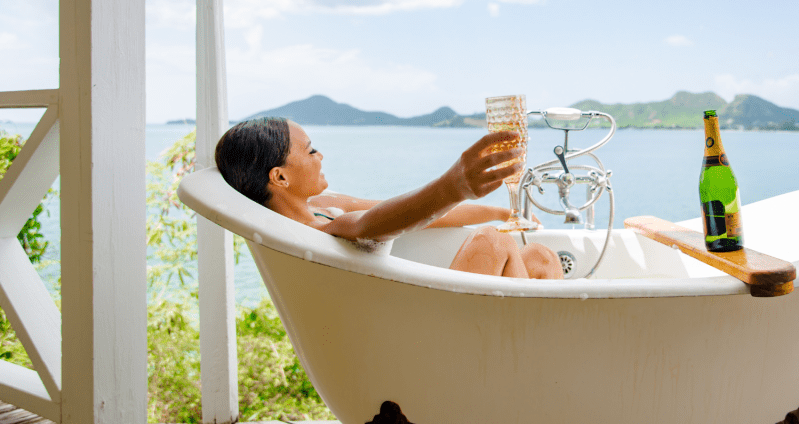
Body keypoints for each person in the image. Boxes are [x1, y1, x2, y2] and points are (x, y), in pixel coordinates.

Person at [214, 117, 563, 279]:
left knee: (541, 257)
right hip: (420, 332)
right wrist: (455, 185)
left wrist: (499, 212)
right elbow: (374, 222)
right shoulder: (318, 231)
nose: (320, 156)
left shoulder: (323, 207)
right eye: (311, 151)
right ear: (280, 177)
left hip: (425, 310)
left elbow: (421, 214)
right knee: (492, 243)